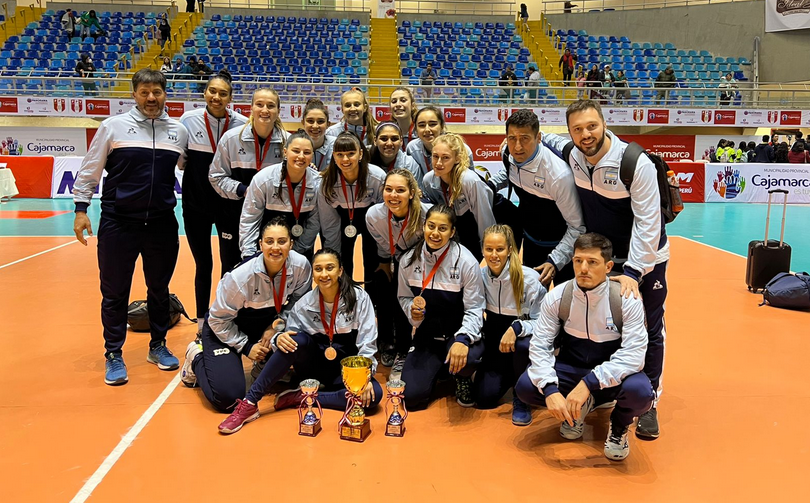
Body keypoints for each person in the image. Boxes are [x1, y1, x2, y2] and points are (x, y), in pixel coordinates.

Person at [544, 100, 669, 440]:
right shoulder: (573, 153)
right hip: (600, 259)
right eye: (577, 129)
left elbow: (648, 224)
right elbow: (549, 140)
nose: (585, 135)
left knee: (649, 328)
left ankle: (649, 400)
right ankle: (601, 389)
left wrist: (634, 273)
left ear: (604, 124)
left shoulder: (634, 163)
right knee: (600, 325)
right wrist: (525, 138)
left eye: (591, 126)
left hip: (643, 261)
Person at [72, 69, 189, 386]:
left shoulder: (178, 131)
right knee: (114, 292)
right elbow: (90, 169)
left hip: (161, 223)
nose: (151, 98)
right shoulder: (113, 127)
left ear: (165, 94)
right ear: (134, 94)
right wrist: (81, 209)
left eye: (157, 92)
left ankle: (158, 345)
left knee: (159, 289)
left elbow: (187, 167)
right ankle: (113, 353)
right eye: (145, 92)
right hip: (118, 222)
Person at [515, 233, 654, 461]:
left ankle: (619, 425)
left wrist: (589, 383)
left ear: (608, 267)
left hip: (609, 375)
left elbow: (633, 355)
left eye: (592, 262)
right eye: (578, 261)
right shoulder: (558, 296)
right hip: (571, 368)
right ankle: (576, 411)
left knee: (641, 392)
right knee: (526, 386)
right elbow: (540, 345)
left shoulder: (626, 300)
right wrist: (550, 389)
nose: (583, 269)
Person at [217, 247, 383, 434]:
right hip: (315, 369)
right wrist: (278, 338)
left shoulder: (360, 299)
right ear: (313, 274)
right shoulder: (304, 304)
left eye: (330, 268)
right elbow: (287, 338)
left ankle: (303, 396)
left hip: (346, 373)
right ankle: (250, 402)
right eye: (318, 269)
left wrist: (364, 378)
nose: (324, 274)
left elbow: (367, 343)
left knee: (374, 396)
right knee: (295, 340)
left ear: (340, 271)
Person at [180, 218, 312, 407]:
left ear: (291, 244)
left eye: (282, 241)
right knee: (228, 398)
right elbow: (218, 319)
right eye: (269, 241)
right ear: (260, 244)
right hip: (225, 328)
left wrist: (277, 326)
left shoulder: (301, 266)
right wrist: (247, 346)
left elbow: (298, 306)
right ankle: (197, 357)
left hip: (266, 325)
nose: (275, 248)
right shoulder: (240, 277)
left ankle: (263, 364)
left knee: (303, 349)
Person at [397, 204, 486, 410]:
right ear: (424, 226)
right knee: (410, 398)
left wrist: (463, 339)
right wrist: (412, 312)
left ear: (452, 232)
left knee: (468, 359)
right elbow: (404, 296)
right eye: (431, 226)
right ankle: (442, 369)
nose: (435, 233)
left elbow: (475, 308)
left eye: (443, 228)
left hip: (457, 334)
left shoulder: (466, 262)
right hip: (427, 338)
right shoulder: (408, 261)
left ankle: (463, 376)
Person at [180, 70, 248, 334]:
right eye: (212, 91)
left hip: (228, 206)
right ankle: (201, 322)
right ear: (205, 93)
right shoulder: (188, 120)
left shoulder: (242, 124)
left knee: (229, 265)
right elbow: (181, 160)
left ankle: (223, 318)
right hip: (195, 205)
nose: (216, 97)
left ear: (230, 97)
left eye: (223, 93)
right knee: (203, 264)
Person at [210, 88, 289, 275]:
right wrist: (243, 190)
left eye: (271, 106)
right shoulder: (231, 139)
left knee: (270, 272)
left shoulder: (287, 142)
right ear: (251, 108)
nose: (265, 110)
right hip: (233, 215)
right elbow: (216, 176)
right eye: (259, 104)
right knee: (232, 271)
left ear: (278, 110)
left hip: (271, 218)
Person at [503, 109, 584, 285]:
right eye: (512, 138)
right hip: (531, 242)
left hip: (562, 249)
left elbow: (577, 227)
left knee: (565, 301)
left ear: (538, 137)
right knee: (531, 299)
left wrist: (555, 260)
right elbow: (509, 172)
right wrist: (489, 184)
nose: (517, 146)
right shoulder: (508, 153)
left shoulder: (558, 176)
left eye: (525, 138)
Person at [475, 224, 546, 425]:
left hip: (523, 344)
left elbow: (544, 323)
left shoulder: (529, 279)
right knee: (483, 398)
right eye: (489, 249)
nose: (494, 255)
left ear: (510, 250)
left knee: (523, 345)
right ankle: (509, 375)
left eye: (500, 249)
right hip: (497, 344)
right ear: (482, 250)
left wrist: (518, 328)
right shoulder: (480, 277)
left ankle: (521, 395)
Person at [365, 168, 431, 374]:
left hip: (423, 263)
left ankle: (408, 347)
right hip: (395, 257)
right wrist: (385, 261)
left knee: (408, 297)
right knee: (383, 281)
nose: (393, 195)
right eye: (388, 189)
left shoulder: (427, 214)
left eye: (400, 190)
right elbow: (383, 243)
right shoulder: (373, 215)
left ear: (412, 193)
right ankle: (386, 342)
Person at [240, 129, 321, 261]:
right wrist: (249, 254)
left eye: (306, 152)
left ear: (312, 156)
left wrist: (295, 254)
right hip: (266, 249)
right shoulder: (263, 179)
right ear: (285, 152)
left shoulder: (318, 184)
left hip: (300, 251)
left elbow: (314, 223)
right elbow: (250, 218)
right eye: (296, 151)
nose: (301, 156)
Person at [318, 131, 386, 282]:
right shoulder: (327, 183)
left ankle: (373, 292)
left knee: (372, 258)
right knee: (342, 261)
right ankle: (344, 291)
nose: (345, 159)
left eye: (351, 153)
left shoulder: (377, 177)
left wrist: (384, 257)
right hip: (341, 221)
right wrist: (334, 260)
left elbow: (383, 219)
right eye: (340, 155)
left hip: (371, 220)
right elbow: (329, 224)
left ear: (360, 154)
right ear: (334, 156)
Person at [421, 133, 495, 262]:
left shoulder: (469, 180)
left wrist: (488, 250)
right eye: (435, 156)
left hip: (476, 230)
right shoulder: (428, 180)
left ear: (457, 159)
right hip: (454, 232)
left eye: (445, 158)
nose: (438, 163)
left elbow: (485, 219)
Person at [405, 105, 474, 188]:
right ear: (416, 129)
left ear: (442, 126)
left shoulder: (462, 149)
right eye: (422, 125)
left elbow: (471, 183)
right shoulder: (412, 148)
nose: (427, 129)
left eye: (432, 124)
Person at [301, 98, 334, 172]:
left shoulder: (336, 145)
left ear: (328, 124)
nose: (315, 126)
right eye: (310, 121)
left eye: (320, 121)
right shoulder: (294, 145)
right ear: (303, 123)